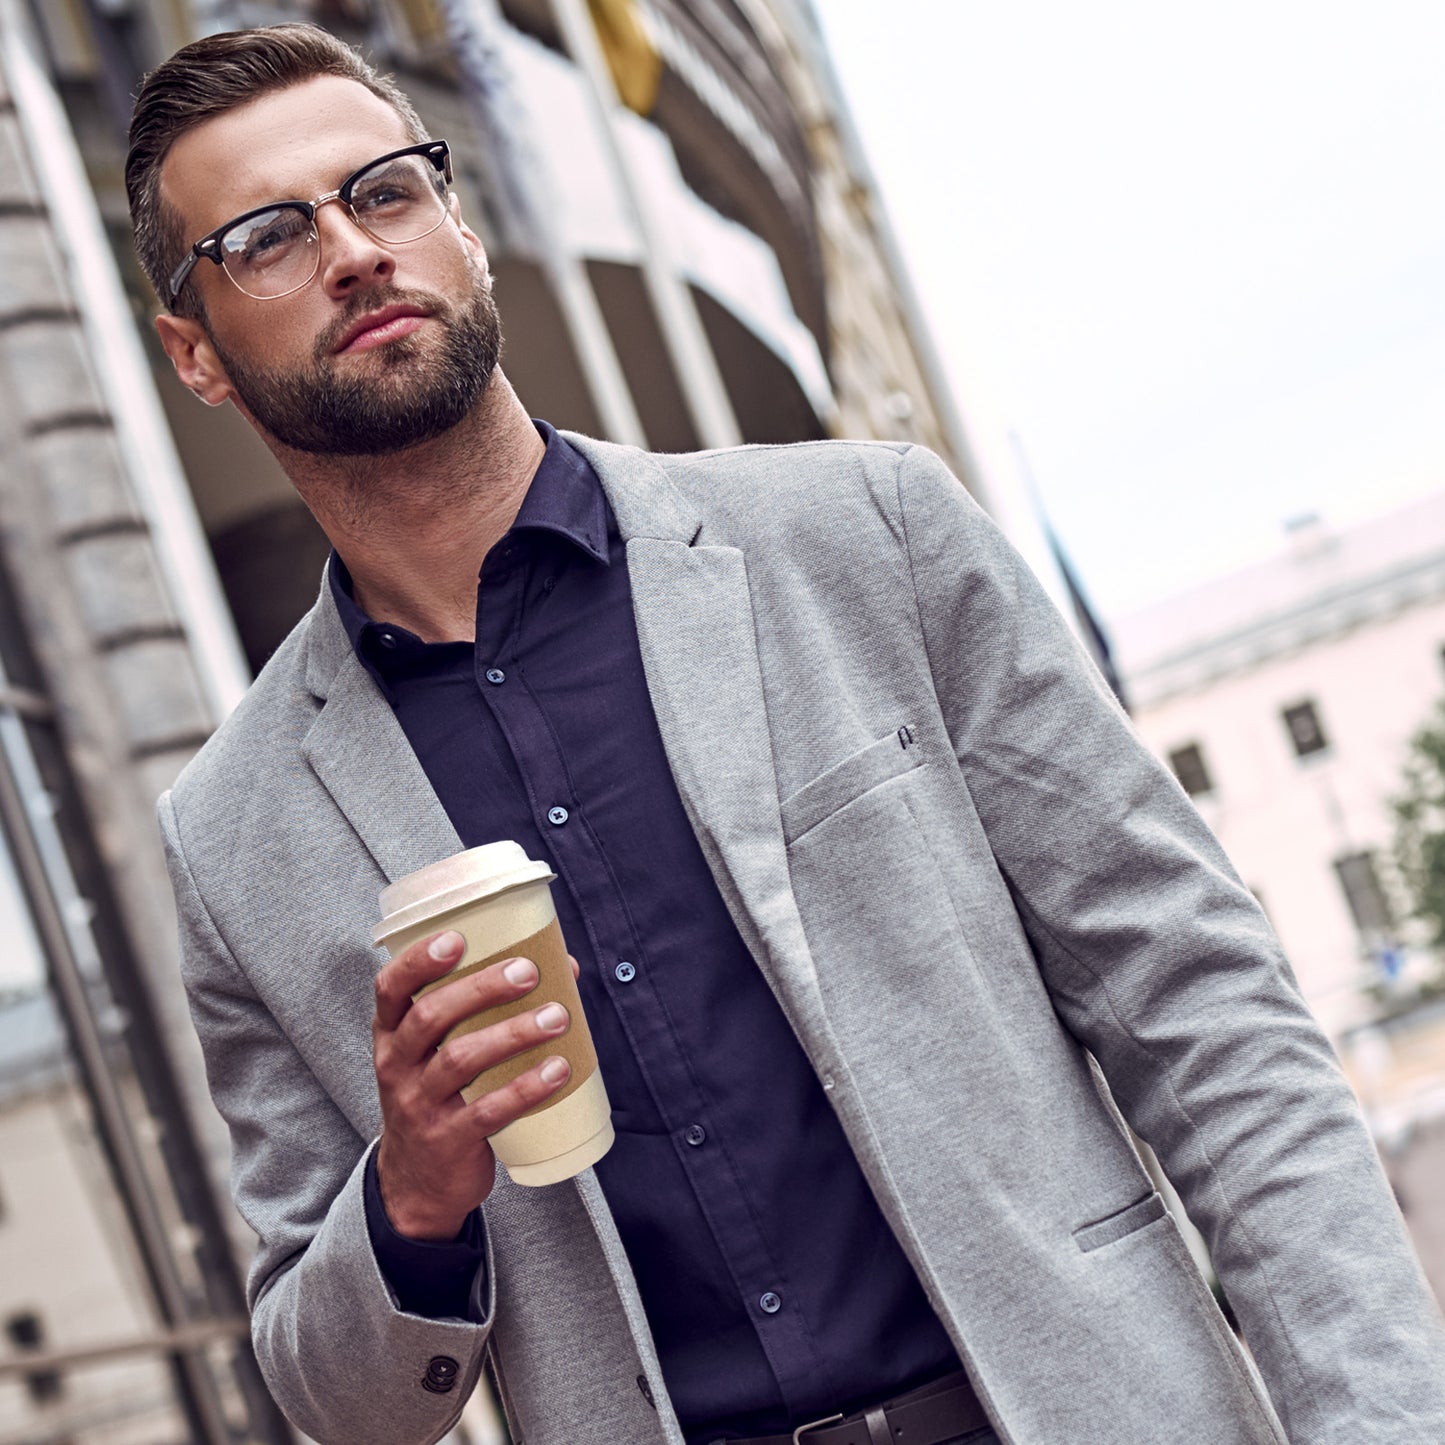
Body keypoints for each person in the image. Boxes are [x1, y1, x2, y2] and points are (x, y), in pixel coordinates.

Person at [127, 23, 1445, 1445]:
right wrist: (412, 1196)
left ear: (460, 222)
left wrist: (1375, 1417)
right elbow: (338, 1401)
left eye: (384, 191)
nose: (353, 249)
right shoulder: (232, 836)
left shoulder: (865, 534)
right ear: (194, 351)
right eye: (267, 234)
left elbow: (1203, 1015)